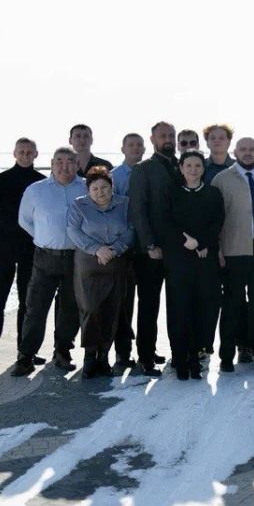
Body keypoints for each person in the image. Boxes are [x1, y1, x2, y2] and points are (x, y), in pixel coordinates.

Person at [10, 147, 87, 376]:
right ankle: (26, 356)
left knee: (70, 309)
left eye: (70, 161)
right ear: (52, 163)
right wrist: (45, 237)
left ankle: (62, 352)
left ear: (77, 164)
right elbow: (25, 220)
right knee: (35, 308)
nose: (65, 166)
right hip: (45, 258)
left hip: (76, 258)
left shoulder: (86, 187)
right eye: (59, 161)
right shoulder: (36, 190)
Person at [0, 138, 45, 369]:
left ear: (36, 154)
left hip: (31, 250)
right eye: (21, 152)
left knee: (27, 304)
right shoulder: (1, 180)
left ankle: (25, 352)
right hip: (2, 250)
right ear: (14, 153)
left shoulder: (41, 182)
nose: (25, 155)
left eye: (29, 152)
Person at [212, 137, 254, 372]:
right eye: (243, 149)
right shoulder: (222, 179)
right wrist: (218, 250)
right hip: (234, 249)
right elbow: (215, 219)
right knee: (232, 303)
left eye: (252, 149)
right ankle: (226, 355)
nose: (248, 153)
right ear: (235, 151)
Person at [162, 150, 225, 380]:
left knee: (204, 307)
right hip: (178, 259)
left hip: (205, 258)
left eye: (198, 165)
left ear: (203, 168)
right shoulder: (171, 192)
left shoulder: (212, 193)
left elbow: (218, 221)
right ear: (181, 167)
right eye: (188, 165)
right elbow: (165, 221)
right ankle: (180, 359)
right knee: (179, 308)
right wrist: (185, 241)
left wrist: (201, 242)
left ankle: (197, 356)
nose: (193, 170)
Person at [66, 167, 134, 378]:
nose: (100, 192)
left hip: (116, 261)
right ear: (88, 190)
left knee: (112, 310)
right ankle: (89, 356)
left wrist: (115, 249)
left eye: (104, 187)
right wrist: (97, 249)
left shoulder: (124, 204)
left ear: (112, 187)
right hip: (89, 263)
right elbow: (73, 230)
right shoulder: (79, 205)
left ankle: (104, 357)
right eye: (95, 188)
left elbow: (131, 230)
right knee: (91, 309)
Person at [127, 121, 180, 376]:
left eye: (171, 135)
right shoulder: (143, 169)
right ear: (153, 139)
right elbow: (137, 210)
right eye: (163, 136)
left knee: (178, 303)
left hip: (178, 250)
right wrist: (149, 244)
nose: (167, 139)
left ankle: (179, 352)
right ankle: (146, 356)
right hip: (150, 251)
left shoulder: (182, 166)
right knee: (149, 304)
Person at [109, 133, 144, 368]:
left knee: (148, 302)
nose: (135, 148)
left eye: (139, 145)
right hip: (123, 247)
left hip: (146, 244)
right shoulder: (114, 176)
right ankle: (123, 352)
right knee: (124, 302)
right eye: (131, 145)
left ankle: (147, 351)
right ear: (123, 149)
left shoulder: (147, 172)